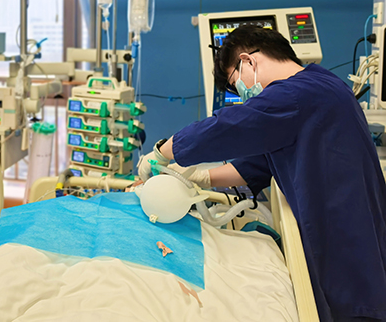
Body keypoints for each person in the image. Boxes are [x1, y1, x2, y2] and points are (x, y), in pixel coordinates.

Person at [138, 25, 386, 322]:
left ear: (248, 61)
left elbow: (228, 126)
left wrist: (162, 151)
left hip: (347, 247)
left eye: (236, 82)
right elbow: (259, 165)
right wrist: (199, 178)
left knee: (354, 308)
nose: (244, 95)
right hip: (353, 238)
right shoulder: (322, 84)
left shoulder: (296, 94)